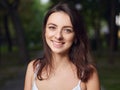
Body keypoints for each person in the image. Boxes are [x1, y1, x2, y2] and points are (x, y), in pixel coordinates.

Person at [24, 2, 100, 90]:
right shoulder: (33, 68)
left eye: (67, 30)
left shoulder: (89, 73)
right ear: (45, 31)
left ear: (76, 37)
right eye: (52, 27)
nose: (58, 36)